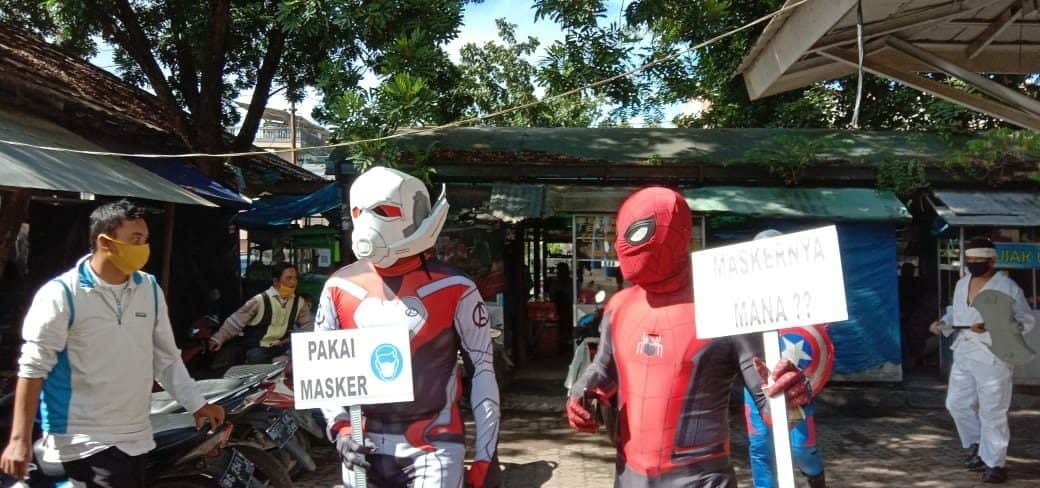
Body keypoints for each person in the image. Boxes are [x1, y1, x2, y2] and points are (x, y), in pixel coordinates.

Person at [566, 187, 812, 487]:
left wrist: (790, 396)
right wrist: (582, 390)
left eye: (640, 232)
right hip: (629, 473)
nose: (627, 246)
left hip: (701, 477)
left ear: (678, 234)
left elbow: (771, 402)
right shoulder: (619, 306)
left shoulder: (724, 306)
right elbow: (605, 368)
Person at [0, 200, 224, 488]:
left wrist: (197, 403)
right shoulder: (61, 295)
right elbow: (33, 369)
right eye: (135, 240)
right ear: (105, 242)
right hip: (83, 440)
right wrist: (19, 440)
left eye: (145, 239)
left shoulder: (149, 289)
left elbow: (166, 359)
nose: (143, 248)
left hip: (137, 436)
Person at [315, 166, 501, 487]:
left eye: (384, 211)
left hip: (434, 444)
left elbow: (483, 370)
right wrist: (341, 429)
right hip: (362, 446)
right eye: (359, 211)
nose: (370, 221)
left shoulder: (456, 288)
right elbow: (324, 372)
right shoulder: (338, 287)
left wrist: (485, 456)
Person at [929, 237, 1036, 484]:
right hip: (965, 351)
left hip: (993, 354)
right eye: (971, 260)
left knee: (993, 412)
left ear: (991, 261)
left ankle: (995, 464)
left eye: (979, 260)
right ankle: (978, 446)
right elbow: (956, 313)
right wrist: (942, 324)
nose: (974, 263)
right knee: (956, 404)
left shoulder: (1008, 287)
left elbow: (1026, 320)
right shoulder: (962, 283)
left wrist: (993, 326)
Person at [741, 229, 832, 488]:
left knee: (802, 447)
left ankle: (816, 478)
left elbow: (817, 338)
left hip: (795, 383)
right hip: (755, 382)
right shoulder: (741, 294)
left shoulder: (806, 293)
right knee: (760, 447)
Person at [208, 263, 313, 364]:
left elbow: (308, 326)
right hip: (259, 349)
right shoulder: (259, 300)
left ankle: (281, 360)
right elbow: (235, 322)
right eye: (289, 278)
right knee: (255, 356)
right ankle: (277, 361)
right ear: (276, 281)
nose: (293, 282)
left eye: (295, 278)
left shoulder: (299, 302)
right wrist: (218, 339)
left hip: (281, 347)